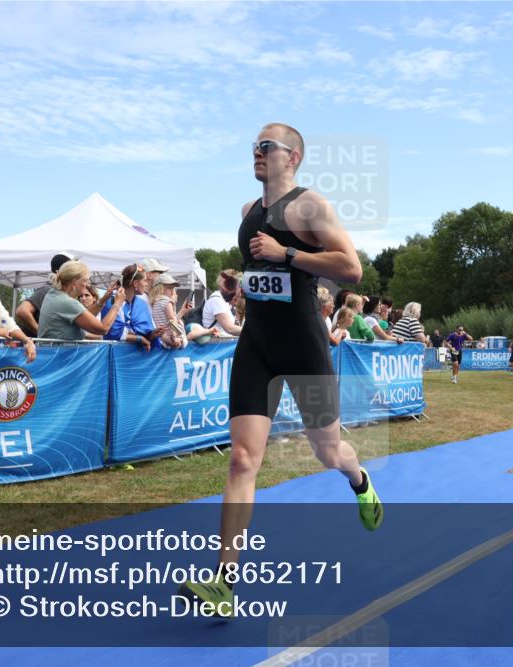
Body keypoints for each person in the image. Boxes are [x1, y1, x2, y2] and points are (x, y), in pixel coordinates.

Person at [179, 123, 382, 616]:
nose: (257, 152)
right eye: (254, 146)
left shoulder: (310, 206)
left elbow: (352, 269)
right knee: (242, 459)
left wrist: (286, 253)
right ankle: (224, 584)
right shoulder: (248, 212)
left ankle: (359, 480)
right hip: (258, 345)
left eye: (266, 146)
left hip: (303, 346)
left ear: (293, 157)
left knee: (328, 451)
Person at [38, 260, 126, 341]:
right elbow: (103, 329)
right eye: (84, 281)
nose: (86, 284)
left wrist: (104, 298)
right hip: (62, 352)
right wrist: (117, 303)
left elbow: (85, 317)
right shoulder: (67, 302)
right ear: (74, 282)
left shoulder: (52, 294)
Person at [15, 252, 84, 337]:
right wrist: (41, 334)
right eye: (73, 267)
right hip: (38, 344)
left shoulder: (60, 292)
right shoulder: (47, 290)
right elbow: (22, 311)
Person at [101, 263, 164, 350]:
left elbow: (143, 334)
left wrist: (152, 334)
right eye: (145, 280)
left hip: (137, 355)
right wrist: (139, 338)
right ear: (135, 283)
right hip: (115, 354)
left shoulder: (141, 304)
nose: (146, 284)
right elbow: (113, 333)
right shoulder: (112, 300)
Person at [150, 272, 192, 349]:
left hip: (161, 338)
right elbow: (171, 320)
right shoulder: (167, 301)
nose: (173, 291)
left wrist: (182, 311)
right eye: (170, 288)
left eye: (173, 288)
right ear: (160, 288)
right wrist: (175, 336)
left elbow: (166, 320)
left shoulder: (154, 302)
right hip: (171, 337)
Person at [201, 269, 244, 337]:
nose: (239, 287)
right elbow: (230, 329)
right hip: (218, 343)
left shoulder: (223, 300)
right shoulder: (217, 300)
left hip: (223, 342)